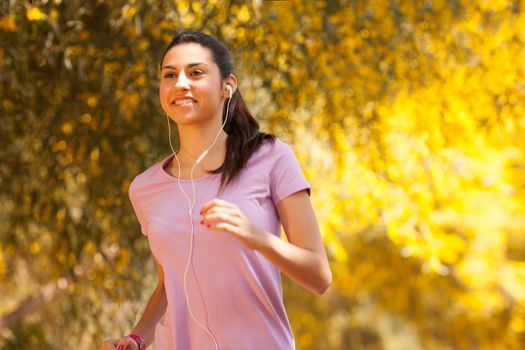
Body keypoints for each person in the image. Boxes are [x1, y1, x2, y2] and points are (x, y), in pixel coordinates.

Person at [102, 29, 332, 350]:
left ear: (228, 86)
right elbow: (172, 283)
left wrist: (256, 237)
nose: (180, 83)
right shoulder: (145, 188)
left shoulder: (271, 157)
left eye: (196, 72)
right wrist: (138, 338)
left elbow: (319, 276)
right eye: (170, 75)